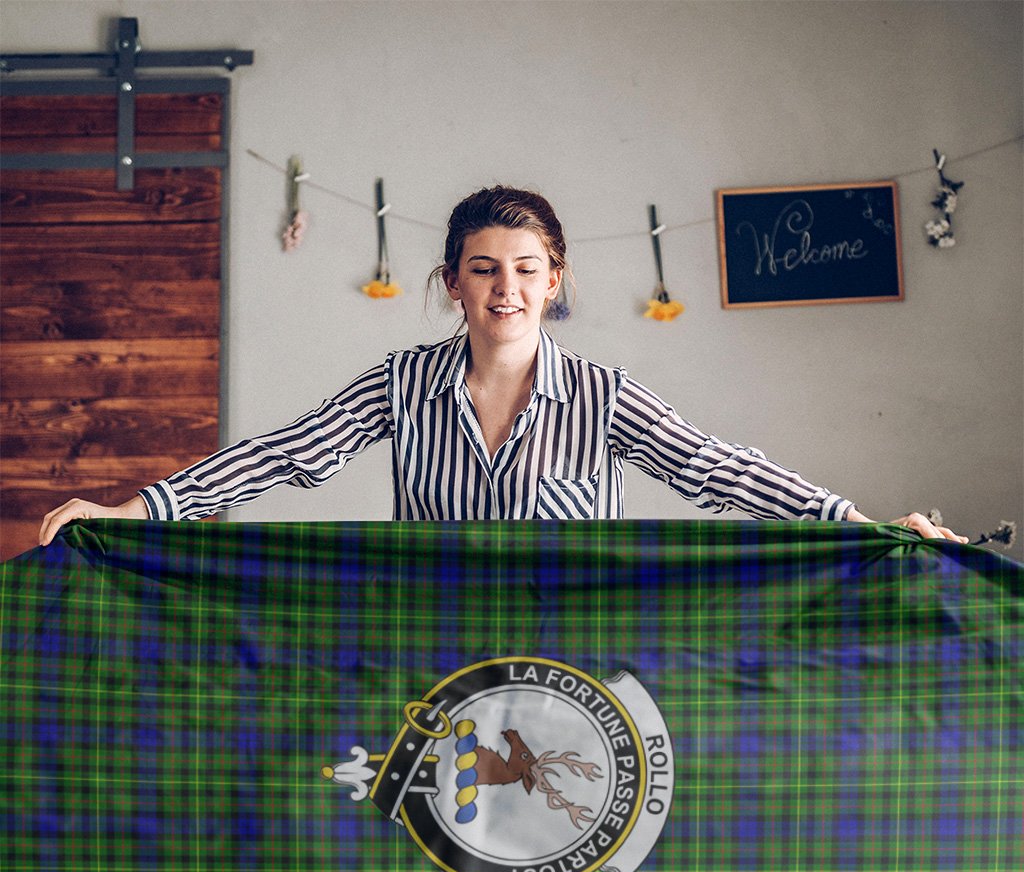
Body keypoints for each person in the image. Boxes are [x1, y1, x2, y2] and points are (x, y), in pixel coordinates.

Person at [38, 186, 967, 545]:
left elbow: (719, 468)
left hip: (580, 667)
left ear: (555, 281)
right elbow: (283, 455)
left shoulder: (604, 397)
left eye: (527, 271)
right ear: (453, 283)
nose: (506, 289)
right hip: (436, 662)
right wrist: (133, 511)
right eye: (484, 269)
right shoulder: (401, 383)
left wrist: (862, 524)